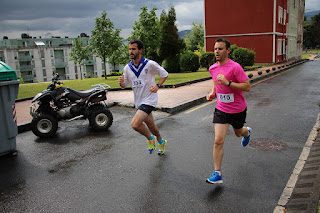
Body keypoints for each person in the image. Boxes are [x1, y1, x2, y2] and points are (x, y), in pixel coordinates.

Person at [206, 38, 252, 184]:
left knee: (238, 133)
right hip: (221, 109)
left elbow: (247, 86)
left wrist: (229, 83)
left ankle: (247, 132)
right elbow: (215, 81)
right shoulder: (213, 68)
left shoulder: (235, 67)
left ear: (228, 50)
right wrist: (212, 92)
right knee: (218, 140)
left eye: (220, 49)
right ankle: (217, 173)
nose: (217, 52)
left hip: (238, 109)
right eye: (215, 49)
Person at [118, 39, 168, 155]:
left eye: (133, 49)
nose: (131, 51)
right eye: (130, 49)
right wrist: (121, 83)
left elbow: (164, 74)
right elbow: (124, 85)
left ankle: (150, 139)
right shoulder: (127, 68)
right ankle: (161, 141)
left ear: (140, 50)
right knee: (152, 126)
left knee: (135, 124)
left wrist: (158, 85)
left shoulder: (150, 64)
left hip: (150, 99)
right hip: (139, 102)